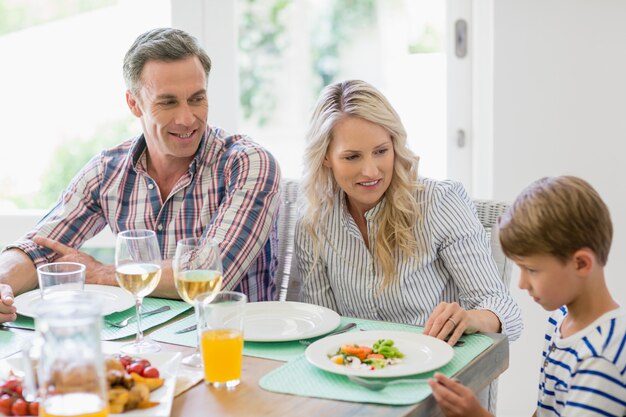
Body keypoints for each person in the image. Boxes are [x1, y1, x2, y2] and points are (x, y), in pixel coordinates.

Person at [0, 27, 281, 323]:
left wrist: (101, 273)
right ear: (134, 103)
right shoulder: (107, 171)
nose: (187, 118)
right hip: (140, 343)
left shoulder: (248, 163)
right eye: (168, 102)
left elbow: (210, 272)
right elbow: (40, 248)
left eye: (197, 99)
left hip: (239, 345)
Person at [294, 79, 522, 346]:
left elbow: (508, 313)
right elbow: (325, 329)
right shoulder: (313, 223)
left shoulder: (440, 203)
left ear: (395, 145)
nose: (371, 171)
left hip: (435, 372)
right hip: (354, 372)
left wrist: (473, 318)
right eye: (352, 157)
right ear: (325, 157)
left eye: (381, 151)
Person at [429, 176, 626, 417]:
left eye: (531, 270)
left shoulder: (600, 358)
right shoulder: (562, 319)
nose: (522, 284)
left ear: (581, 264)